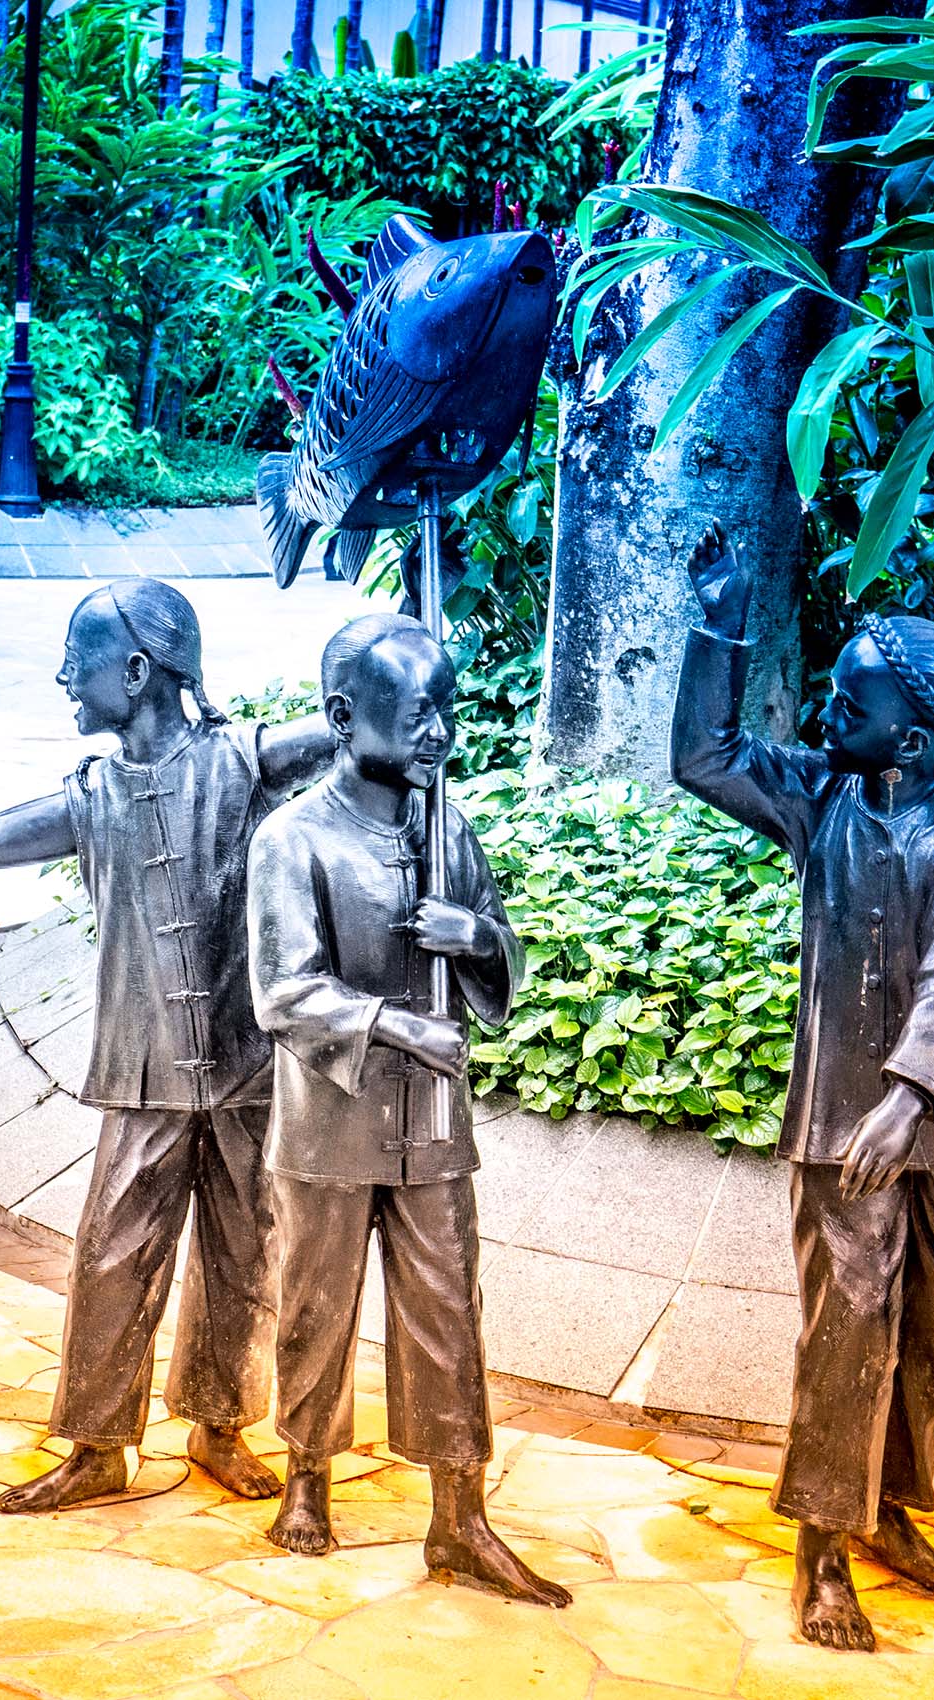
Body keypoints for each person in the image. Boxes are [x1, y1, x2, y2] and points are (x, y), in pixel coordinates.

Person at [670, 522, 934, 1653]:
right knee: (847, 1331)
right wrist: (720, 622)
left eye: (846, 703)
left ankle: (889, 1509)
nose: (823, 712)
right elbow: (704, 756)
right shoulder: (817, 796)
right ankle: (822, 1546)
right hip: (837, 1126)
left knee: (928, 1340)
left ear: (908, 736)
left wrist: (910, 1098)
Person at [0, 586, 331, 1511]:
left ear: (138, 672)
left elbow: (353, 726)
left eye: (80, 660)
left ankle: (219, 1426)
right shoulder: (93, 796)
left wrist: (402, 646)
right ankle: (98, 1446)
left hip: (245, 1067)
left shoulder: (242, 761)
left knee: (245, 1254)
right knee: (113, 1255)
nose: (65, 678)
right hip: (144, 1071)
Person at [246, 611, 569, 1609]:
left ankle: (459, 1515)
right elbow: (283, 992)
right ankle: (306, 1473)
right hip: (327, 1123)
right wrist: (398, 1027)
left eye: (447, 711)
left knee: (447, 1310)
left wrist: (476, 936)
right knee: (316, 1302)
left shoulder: (446, 830)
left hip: (429, 1124)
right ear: (345, 716)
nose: (441, 733)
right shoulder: (290, 838)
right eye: (418, 712)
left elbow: (500, 959)